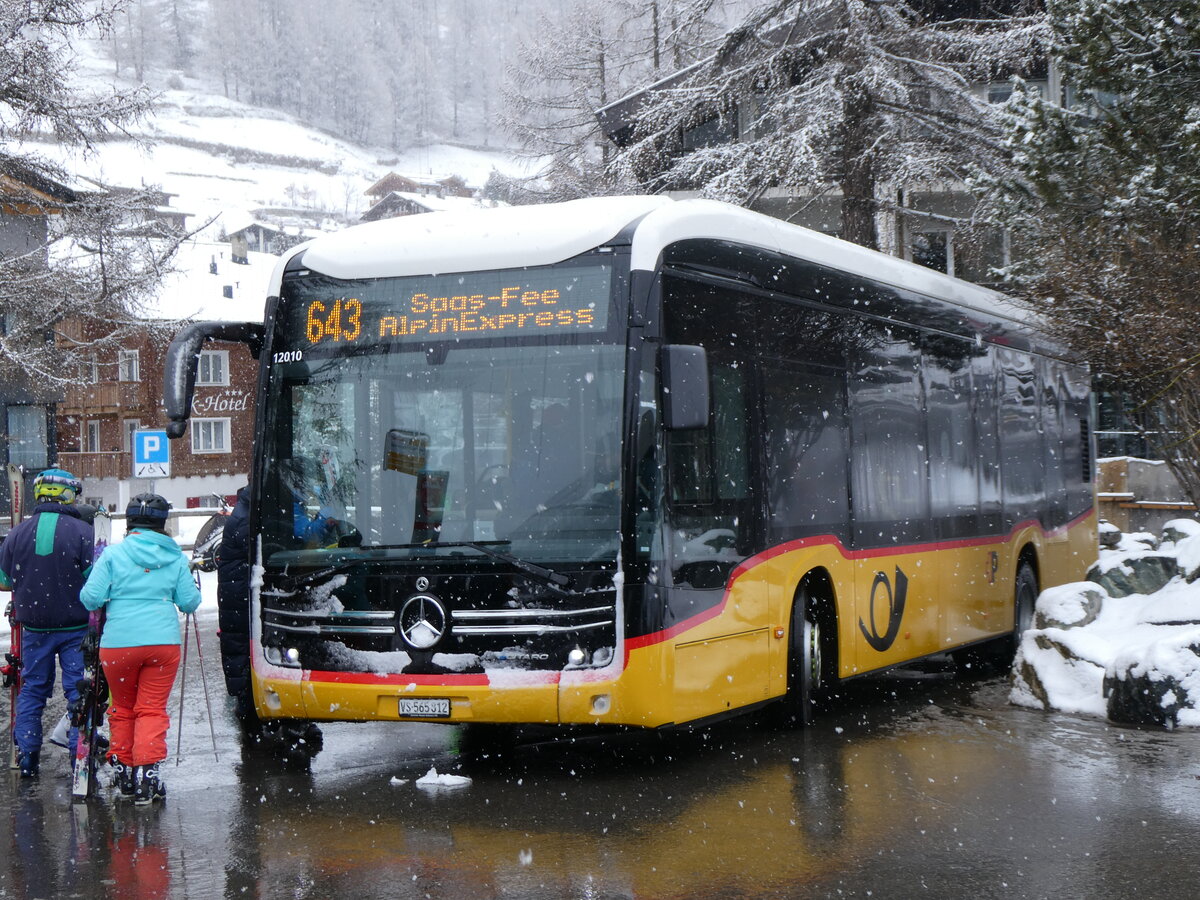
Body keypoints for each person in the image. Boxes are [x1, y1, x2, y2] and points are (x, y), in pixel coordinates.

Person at [80, 493, 200, 803]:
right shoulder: (174, 557)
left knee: (122, 708)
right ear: (162, 524)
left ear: (129, 522)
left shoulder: (112, 556)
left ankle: (123, 771)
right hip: (161, 644)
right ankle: (148, 774)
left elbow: (91, 598)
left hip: (118, 645)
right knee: (151, 709)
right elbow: (189, 602)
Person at [0, 468, 94, 777]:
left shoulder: (17, 533)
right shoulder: (83, 533)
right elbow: (94, 583)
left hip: (34, 628)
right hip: (75, 627)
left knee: (32, 690)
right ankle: (76, 755)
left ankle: (28, 755)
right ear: (69, 494)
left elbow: (3, 581)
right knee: (77, 690)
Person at [215, 485, 254, 724]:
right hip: (238, 593)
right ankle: (246, 704)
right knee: (239, 645)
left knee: (239, 645)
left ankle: (246, 702)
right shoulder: (245, 517)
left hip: (237, 591)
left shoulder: (246, 509)